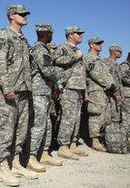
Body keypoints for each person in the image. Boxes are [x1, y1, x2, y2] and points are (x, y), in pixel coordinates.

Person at [0, 4, 39, 186]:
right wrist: (7, 87)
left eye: (26, 13)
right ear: (12, 15)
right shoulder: (3, 35)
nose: (25, 16)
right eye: (22, 14)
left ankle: (16, 163)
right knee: (5, 129)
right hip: (8, 92)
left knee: (21, 129)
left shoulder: (23, 39)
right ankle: (3, 166)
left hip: (24, 90)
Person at [29, 23, 64, 171]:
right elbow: (48, 70)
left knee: (47, 124)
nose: (52, 36)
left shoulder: (44, 49)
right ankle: (31, 156)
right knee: (38, 124)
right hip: (38, 92)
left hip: (45, 92)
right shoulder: (39, 49)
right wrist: (64, 72)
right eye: (50, 33)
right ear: (45, 34)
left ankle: (43, 153)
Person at [53, 26, 88, 160]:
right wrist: (74, 56)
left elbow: (82, 72)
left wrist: (85, 90)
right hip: (68, 87)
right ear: (70, 35)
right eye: (78, 33)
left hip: (78, 88)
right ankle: (63, 146)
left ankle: (73, 143)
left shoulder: (78, 50)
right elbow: (57, 61)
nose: (81, 35)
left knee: (76, 117)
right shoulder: (63, 48)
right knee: (68, 117)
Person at [83, 36, 116, 152]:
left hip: (104, 90)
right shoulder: (89, 58)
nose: (100, 45)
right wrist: (108, 84)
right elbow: (94, 74)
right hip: (96, 89)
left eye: (101, 43)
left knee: (104, 115)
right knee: (96, 114)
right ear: (91, 45)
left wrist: (111, 85)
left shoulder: (99, 59)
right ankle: (94, 141)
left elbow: (106, 74)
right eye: (97, 43)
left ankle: (102, 137)